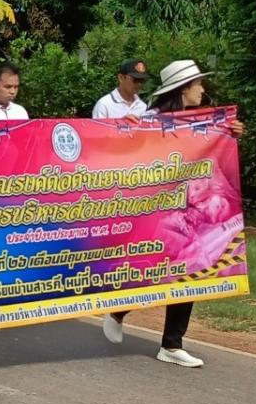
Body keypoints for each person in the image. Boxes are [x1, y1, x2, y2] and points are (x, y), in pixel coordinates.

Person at [102, 59, 246, 367]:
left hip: (191, 209)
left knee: (191, 267)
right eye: (198, 85)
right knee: (154, 271)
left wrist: (231, 133)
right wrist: (127, 130)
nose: (203, 91)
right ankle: (119, 308)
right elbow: (123, 152)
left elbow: (216, 153)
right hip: (156, 210)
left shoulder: (205, 122)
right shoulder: (150, 119)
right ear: (184, 89)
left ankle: (171, 344)